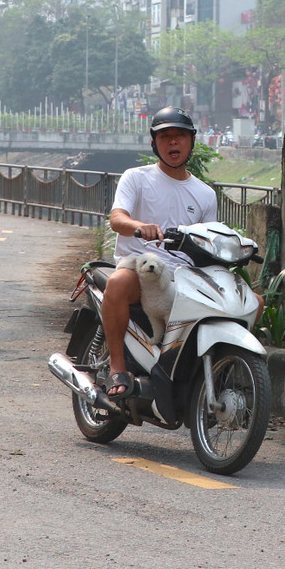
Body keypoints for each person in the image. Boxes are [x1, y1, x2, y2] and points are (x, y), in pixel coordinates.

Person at [100, 107, 217, 399]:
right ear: (154, 143)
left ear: (191, 141)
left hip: (182, 277)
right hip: (139, 268)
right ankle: (117, 367)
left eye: (180, 136)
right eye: (165, 136)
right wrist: (139, 227)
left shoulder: (205, 194)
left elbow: (208, 241)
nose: (173, 142)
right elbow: (117, 219)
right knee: (117, 283)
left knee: (252, 301)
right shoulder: (136, 178)